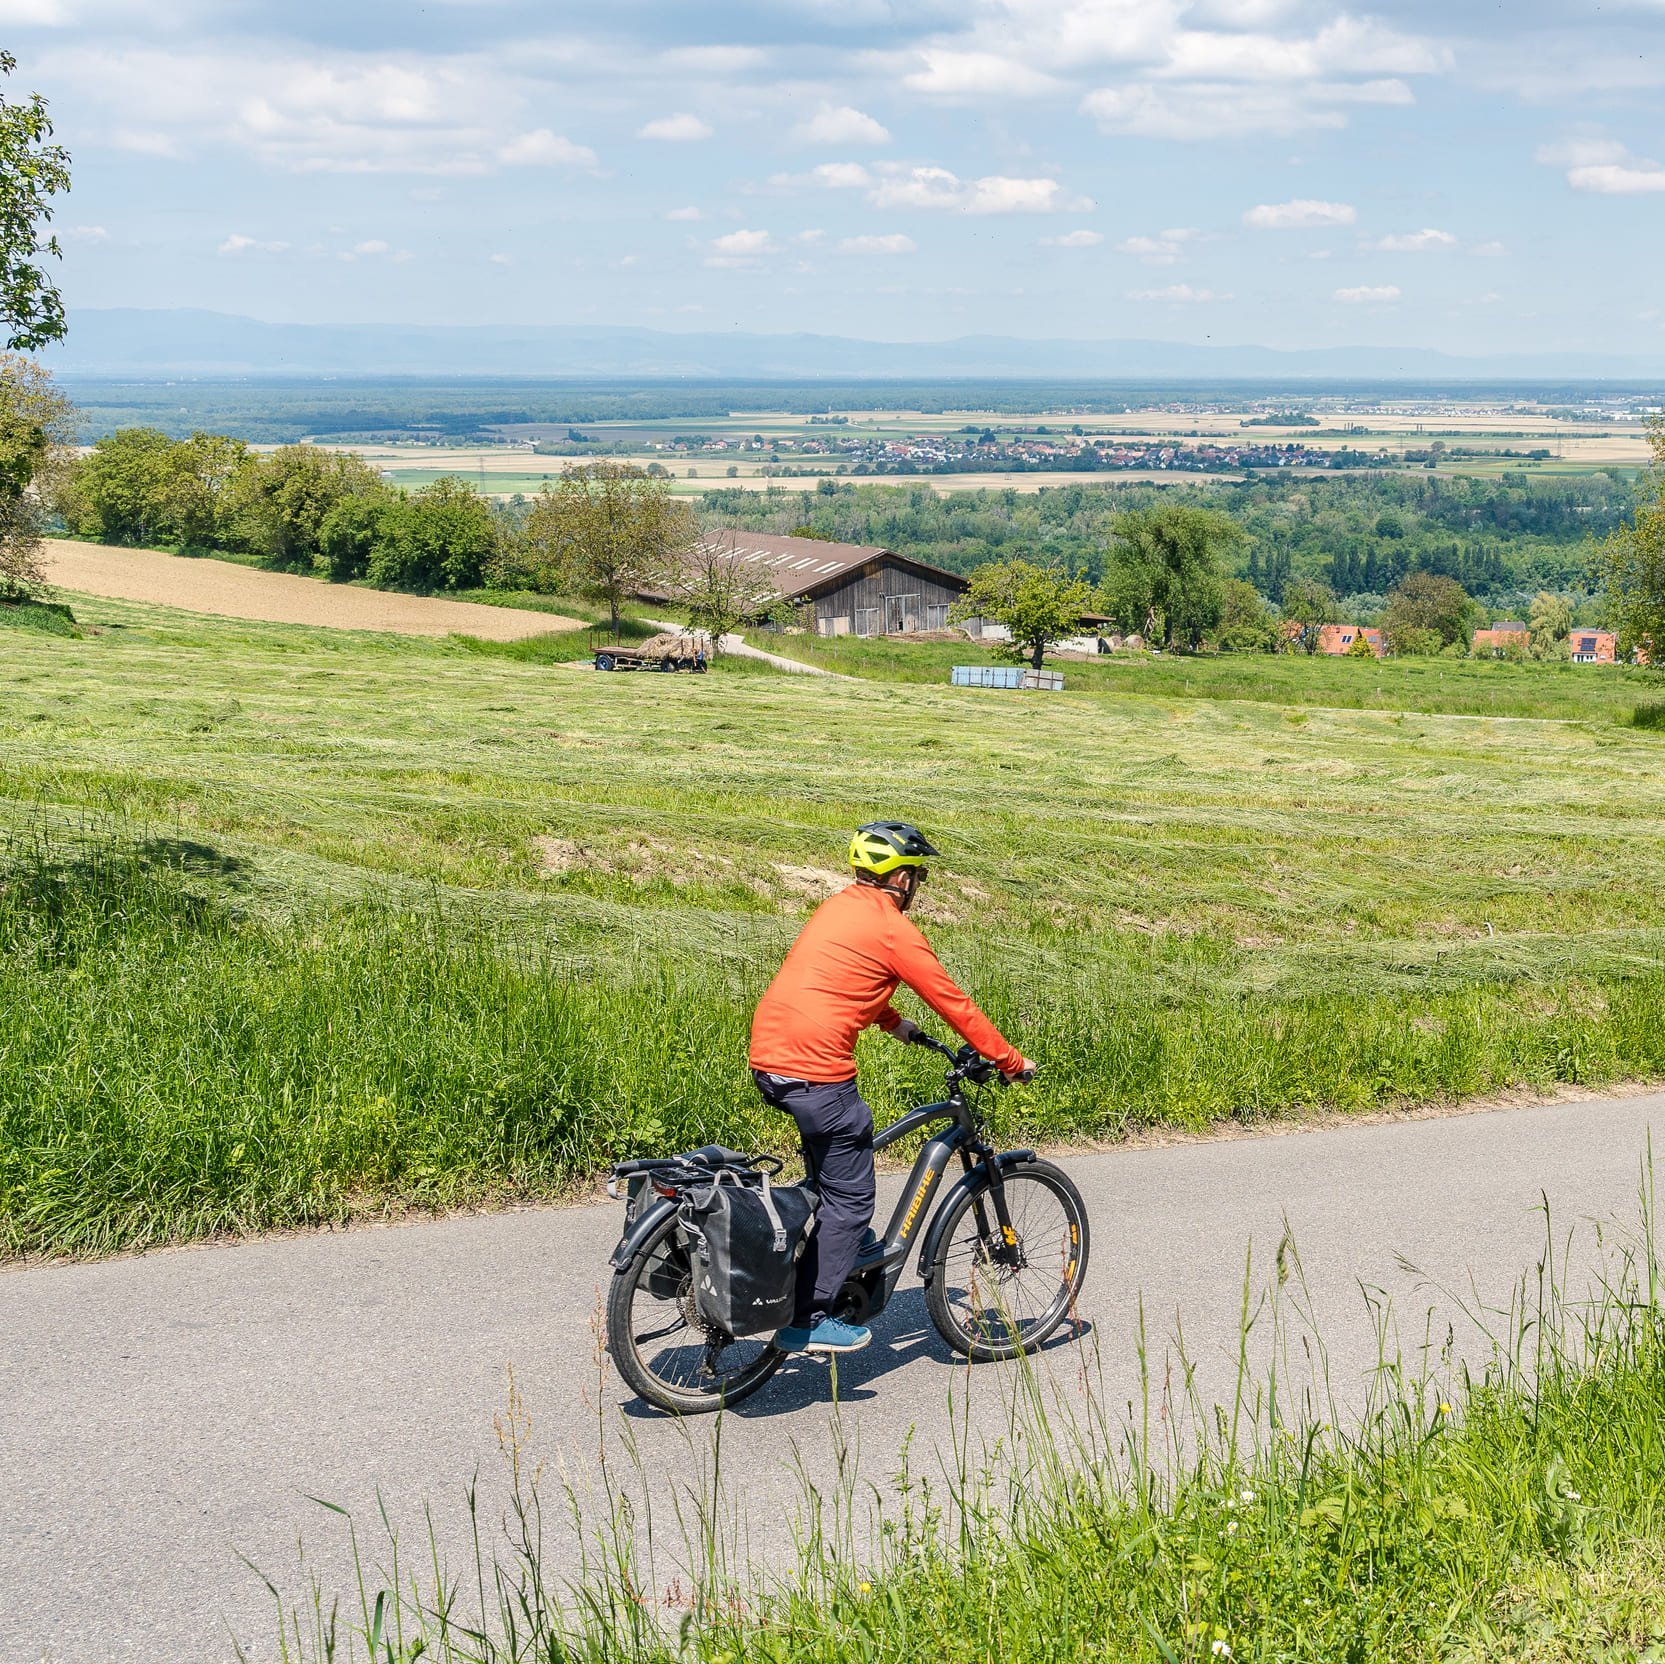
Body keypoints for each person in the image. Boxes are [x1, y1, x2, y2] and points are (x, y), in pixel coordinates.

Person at [749, 821, 1035, 1356]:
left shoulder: (838, 908)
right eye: (919, 875)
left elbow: (837, 977)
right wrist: (1010, 1060)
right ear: (900, 877)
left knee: (838, 1159)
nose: (918, 886)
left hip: (770, 1058)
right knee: (853, 1194)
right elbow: (954, 1003)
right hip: (816, 1069)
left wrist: (892, 1022)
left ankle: (836, 1251)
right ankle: (809, 1319)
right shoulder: (893, 928)